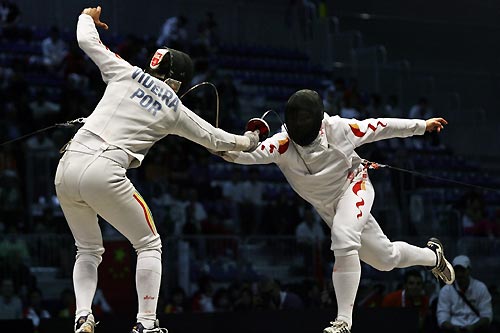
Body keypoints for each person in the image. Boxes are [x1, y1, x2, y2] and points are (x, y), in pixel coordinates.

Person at [54, 6, 261, 333]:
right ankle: (146, 323)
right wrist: (250, 140)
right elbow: (218, 139)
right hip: (105, 170)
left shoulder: (124, 70)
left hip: (66, 168)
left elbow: (86, 40)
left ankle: (83, 317)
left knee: (88, 249)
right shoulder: (174, 107)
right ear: (178, 80)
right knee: (149, 244)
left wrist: (86, 15)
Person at [212, 89, 455, 333]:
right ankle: (434, 257)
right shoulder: (283, 145)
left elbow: (381, 126)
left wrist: (422, 126)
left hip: (354, 187)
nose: (300, 125)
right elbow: (246, 155)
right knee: (385, 258)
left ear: (317, 119)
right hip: (327, 207)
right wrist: (219, 144)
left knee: (342, 236)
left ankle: (343, 322)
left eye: (306, 119)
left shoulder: (340, 129)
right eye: (296, 120)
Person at [436, 255, 493, 333]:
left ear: (469, 270)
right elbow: (442, 316)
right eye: (456, 270)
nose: (459, 274)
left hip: (477, 328)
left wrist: (474, 327)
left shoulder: (480, 288)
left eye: (462, 270)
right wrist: (453, 328)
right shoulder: (446, 291)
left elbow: (487, 315)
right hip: (453, 329)